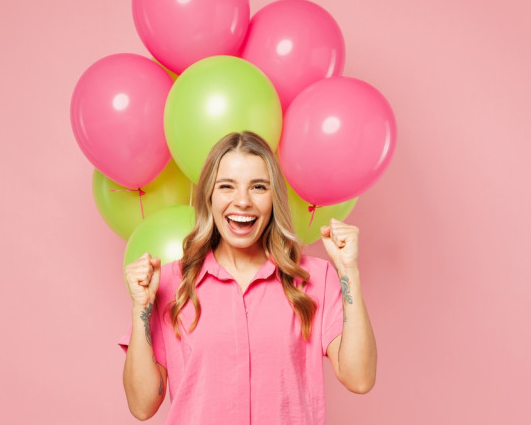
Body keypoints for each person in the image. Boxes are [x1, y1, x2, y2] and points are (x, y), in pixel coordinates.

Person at [118, 131, 377, 424]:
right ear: (209, 196)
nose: (242, 201)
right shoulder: (170, 283)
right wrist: (141, 308)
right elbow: (142, 406)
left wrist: (349, 270)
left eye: (258, 187)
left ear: (274, 197)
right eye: (227, 186)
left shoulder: (315, 278)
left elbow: (360, 379)